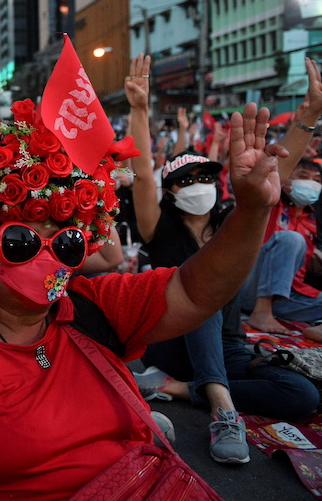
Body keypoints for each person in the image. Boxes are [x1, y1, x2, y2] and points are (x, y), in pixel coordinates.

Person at [0, 93, 285, 500]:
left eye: (67, 242)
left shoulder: (96, 306)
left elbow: (196, 293)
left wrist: (251, 210)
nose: (47, 257)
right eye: (22, 241)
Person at [131, 55, 322, 463]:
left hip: (229, 344)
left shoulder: (228, 225)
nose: (198, 185)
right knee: (204, 294)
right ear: (169, 193)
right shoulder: (159, 227)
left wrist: (309, 117)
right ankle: (223, 411)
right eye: (186, 180)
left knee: (302, 394)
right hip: (171, 340)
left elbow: (272, 174)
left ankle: (178, 388)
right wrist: (139, 109)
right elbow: (144, 173)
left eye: (205, 177)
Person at [240, 158, 322, 333]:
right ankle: (262, 312)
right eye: (303, 176)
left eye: (316, 181)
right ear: (286, 180)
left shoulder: (313, 217)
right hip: (250, 286)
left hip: (287, 295)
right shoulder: (269, 202)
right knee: (291, 239)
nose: (311, 184)